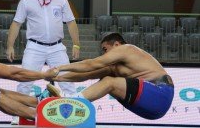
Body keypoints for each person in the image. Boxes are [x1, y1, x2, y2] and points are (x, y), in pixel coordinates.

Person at [46, 32, 174, 120]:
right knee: (105, 78)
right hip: (151, 109)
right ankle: (74, 104)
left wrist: (59, 67)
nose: (104, 54)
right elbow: (86, 74)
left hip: (161, 93)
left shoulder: (126, 48)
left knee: (109, 82)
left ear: (117, 45)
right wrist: (57, 77)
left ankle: (72, 102)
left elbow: (91, 63)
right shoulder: (114, 67)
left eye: (105, 49)